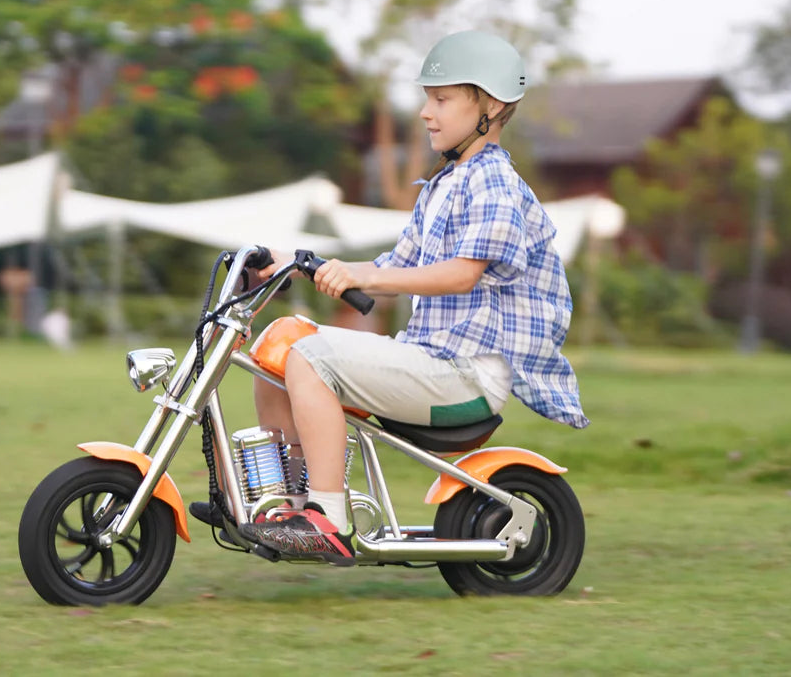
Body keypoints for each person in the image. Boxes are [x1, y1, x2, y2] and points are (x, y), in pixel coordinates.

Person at [229, 30, 588, 566]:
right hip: (430, 360)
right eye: (426, 98)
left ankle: (325, 516)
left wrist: (368, 280)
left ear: (489, 107)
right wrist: (290, 265)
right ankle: (290, 503)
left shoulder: (494, 183)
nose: (425, 112)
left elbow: (462, 274)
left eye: (441, 99)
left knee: (308, 358)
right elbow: (389, 266)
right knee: (281, 342)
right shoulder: (444, 185)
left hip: (466, 375)